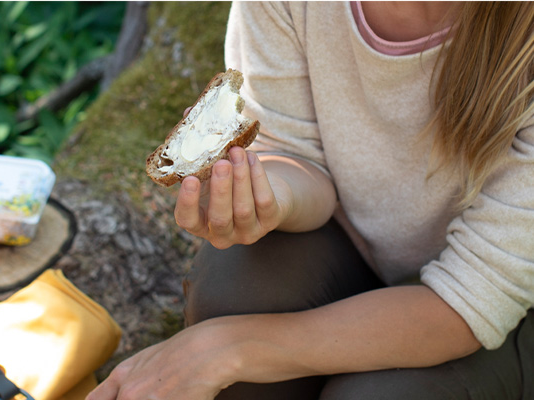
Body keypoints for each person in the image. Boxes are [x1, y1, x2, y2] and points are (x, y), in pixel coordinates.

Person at [88, 2, 534, 399]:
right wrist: (267, 197)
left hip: (502, 318)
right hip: (356, 252)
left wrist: (225, 350)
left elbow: (473, 300)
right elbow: (295, 155)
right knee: (234, 288)